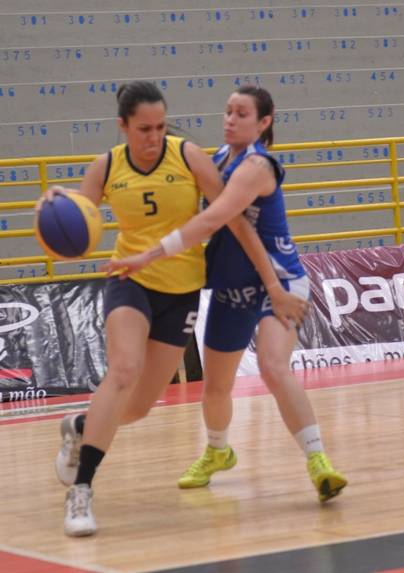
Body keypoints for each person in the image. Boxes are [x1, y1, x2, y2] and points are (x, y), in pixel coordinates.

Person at [44, 81, 307, 537]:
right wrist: (54, 206)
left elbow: (235, 223)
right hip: (130, 281)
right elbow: (79, 225)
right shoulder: (106, 166)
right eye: (144, 129)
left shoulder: (187, 157)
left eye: (160, 127)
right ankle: (81, 490)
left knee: (138, 407)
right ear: (123, 126)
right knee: (123, 370)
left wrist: (271, 284)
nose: (153, 137)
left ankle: (82, 426)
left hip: (181, 291)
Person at [107, 86, 348, 504]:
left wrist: (150, 254)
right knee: (217, 385)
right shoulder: (218, 158)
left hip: (279, 283)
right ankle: (218, 451)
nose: (230, 120)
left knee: (273, 366)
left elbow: (213, 218)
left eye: (241, 114)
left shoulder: (256, 165)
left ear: (264, 122)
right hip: (233, 284)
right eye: (228, 111)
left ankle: (318, 461)